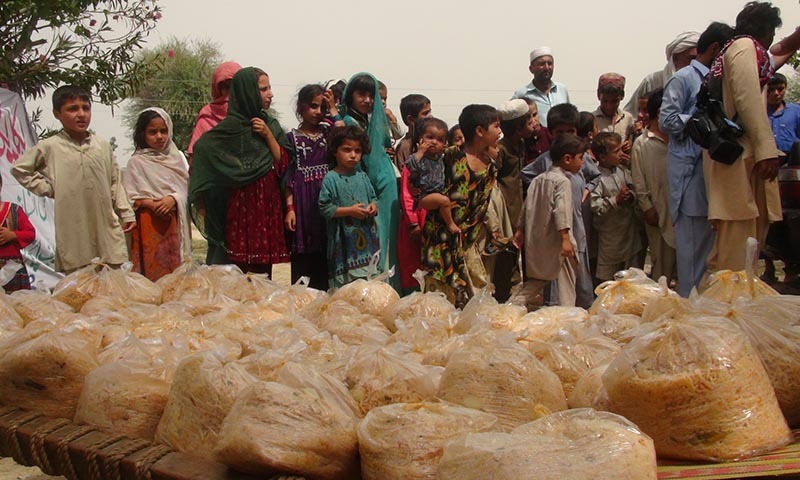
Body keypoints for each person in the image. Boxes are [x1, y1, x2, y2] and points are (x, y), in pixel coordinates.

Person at [12, 85, 135, 273]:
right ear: (57, 113)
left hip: (104, 226)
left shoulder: (101, 145)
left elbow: (115, 182)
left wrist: (126, 213)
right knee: (80, 288)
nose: (81, 114)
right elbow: (20, 169)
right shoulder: (50, 146)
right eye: (72, 109)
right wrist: (49, 189)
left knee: (112, 284)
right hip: (72, 227)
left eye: (85, 108)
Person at [704, 2, 783, 274]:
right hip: (738, 154)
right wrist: (766, 150)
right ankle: (724, 310)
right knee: (735, 246)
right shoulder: (744, 48)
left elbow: (777, 56)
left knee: (746, 239)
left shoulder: (740, 50)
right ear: (765, 30)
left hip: (736, 152)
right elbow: (747, 99)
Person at [189, 67, 292, 274]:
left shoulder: (270, 124)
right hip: (241, 210)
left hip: (266, 208)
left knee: (263, 271)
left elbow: (285, 163)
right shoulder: (228, 130)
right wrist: (203, 200)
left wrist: (268, 135)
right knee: (237, 270)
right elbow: (202, 150)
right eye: (263, 89)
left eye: (269, 88)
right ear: (246, 92)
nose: (270, 94)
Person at [659, 21, 733, 296]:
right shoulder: (683, 79)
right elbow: (667, 121)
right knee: (692, 250)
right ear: (715, 49)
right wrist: (702, 121)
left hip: (713, 173)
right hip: (691, 174)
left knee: (710, 250)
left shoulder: (720, 80)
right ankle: (689, 317)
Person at [421, 104, 500, 308]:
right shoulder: (447, 157)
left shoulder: (491, 167)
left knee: (478, 299)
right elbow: (424, 197)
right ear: (480, 131)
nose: (500, 132)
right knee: (439, 302)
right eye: (496, 126)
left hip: (467, 243)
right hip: (441, 242)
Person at [521, 104, 599, 308]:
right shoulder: (552, 171)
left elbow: (595, 175)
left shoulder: (579, 157)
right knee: (558, 278)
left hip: (577, 228)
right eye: (559, 132)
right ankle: (561, 313)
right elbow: (557, 209)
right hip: (558, 234)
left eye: (570, 131)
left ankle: (582, 310)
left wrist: (587, 189)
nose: (565, 136)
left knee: (579, 274)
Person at [511, 134, 587, 310]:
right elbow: (561, 211)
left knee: (538, 278)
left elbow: (526, 206)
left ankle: (511, 307)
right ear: (567, 159)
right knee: (567, 279)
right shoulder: (562, 182)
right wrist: (566, 238)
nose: (582, 163)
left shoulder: (538, 179)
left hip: (537, 240)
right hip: (558, 242)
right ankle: (568, 316)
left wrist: (520, 230)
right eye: (580, 158)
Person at [340, 73, 400, 290]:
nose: (367, 100)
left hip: (385, 187)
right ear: (351, 96)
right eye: (361, 94)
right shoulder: (348, 122)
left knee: (387, 239)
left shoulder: (373, 121)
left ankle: (388, 288)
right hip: (367, 189)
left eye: (370, 95)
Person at [284, 84, 344, 290]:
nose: (318, 112)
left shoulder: (328, 133)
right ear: (301, 107)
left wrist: (334, 111)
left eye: (322, 108)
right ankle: (302, 301)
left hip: (326, 199)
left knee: (327, 250)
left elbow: (346, 137)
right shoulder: (291, 138)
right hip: (303, 203)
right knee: (304, 254)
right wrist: (290, 209)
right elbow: (289, 177)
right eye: (313, 106)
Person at [123, 107, 191, 281]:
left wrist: (172, 199)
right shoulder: (136, 163)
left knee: (174, 274)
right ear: (142, 134)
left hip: (173, 225)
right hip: (147, 225)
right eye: (152, 132)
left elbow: (187, 189)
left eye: (163, 131)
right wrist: (150, 203)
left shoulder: (178, 159)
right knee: (149, 273)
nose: (159, 136)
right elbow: (128, 197)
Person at [318, 126, 380, 289]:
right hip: (344, 242)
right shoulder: (330, 178)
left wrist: (373, 206)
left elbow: (373, 197)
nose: (353, 155)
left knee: (368, 284)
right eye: (347, 150)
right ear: (334, 151)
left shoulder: (362, 176)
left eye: (357, 151)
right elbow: (325, 208)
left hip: (367, 239)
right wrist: (349, 211)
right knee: (346, 288)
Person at [492, 99, 537, 302]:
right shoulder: (500, 150)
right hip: (506, 212)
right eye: (530, 121)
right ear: (519, 128)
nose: (534, 124)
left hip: (520, 208)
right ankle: (502, 298)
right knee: (506, 257)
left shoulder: (521, 144)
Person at [631, 89, 677, 284]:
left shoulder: (679, 140)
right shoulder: (642, 143)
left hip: (680, 211)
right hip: (658, 212)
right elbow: (638, 180)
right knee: (661, 266)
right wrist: (647, 207)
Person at [591, 132, 642, 282]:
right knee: (609, 279)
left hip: (628, 233)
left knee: (631, 277)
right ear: (602, 157)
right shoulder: (596, 177)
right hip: (610, 237)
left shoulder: (622, 171)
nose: (621, 154)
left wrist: (630, 196)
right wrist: (615, 200)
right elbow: (595, 205)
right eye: (616, 151)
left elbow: (635, 190)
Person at [396, 94, 433, 294]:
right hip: (414, 218)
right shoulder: (405, 151)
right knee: (413, 265)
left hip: (429, 217)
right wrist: (413, 222)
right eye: (425, 113)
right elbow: (407, 191)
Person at [625, 31, 699, 116]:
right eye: (691, 58)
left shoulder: (704, 83)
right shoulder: (652, 81)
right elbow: (630, 116)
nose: (696, 63)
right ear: (675, 59)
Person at [405, 118, 456, 231]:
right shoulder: (420, 157)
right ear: (421, 138)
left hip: (437, 192)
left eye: (440, 140)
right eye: (430, 137)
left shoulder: (440, 157)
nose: (434, 142)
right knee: (444, 201)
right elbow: (409, 165)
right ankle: (451, 224)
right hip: (424, 195)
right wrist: (420, 151)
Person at [187, 61, 242, 161]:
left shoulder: (249, 114)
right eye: (226, 87)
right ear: (217, 89)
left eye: (234, 87)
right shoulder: (208, 115)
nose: (230, 93)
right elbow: (195, 157)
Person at [512, 47, 570, 127]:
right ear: (531, 69)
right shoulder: (522, 94)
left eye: (550, 63)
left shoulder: (562, 89)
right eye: (542, 64)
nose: (547, 68)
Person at [0, 175, 35, 291]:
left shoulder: (14, 209)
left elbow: (30, 233)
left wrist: (13, 235)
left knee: (18, 305)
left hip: (13, 270)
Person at [593, 73, 635, 159]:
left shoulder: (628, 118)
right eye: (605, 101)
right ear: (598, 95)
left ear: (622, 96)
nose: (609, 106)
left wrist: (630, 144)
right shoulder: (592, 120)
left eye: (614, 101)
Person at [767, 73, 800, 158]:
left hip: (791, 163)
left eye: (780, 89)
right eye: (770, 89)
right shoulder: (758, 113)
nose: (776, 93)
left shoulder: (796, 111)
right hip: (764, 162)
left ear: (785, 88)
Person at [394, 94, 432, 169]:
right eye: (425, 113)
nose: (430, 116)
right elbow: (404, 174)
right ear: (411, 119)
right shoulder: (404, 147)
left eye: (430, 112)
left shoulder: (433, 140)